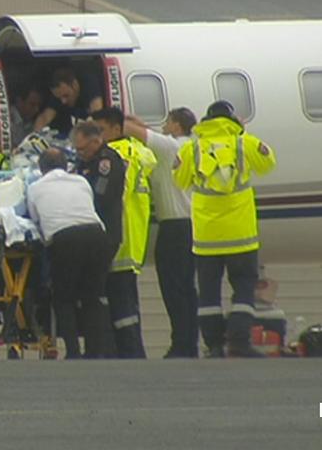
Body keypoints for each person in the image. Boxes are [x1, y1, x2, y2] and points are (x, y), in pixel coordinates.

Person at [173, 100, 276, 358]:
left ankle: (214, 345)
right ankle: (239, 342)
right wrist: (243, 133)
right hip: (241, 235)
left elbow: (180, 179)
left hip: (207, 236)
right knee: (243, 286)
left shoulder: (192, 148)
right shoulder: (244, 143)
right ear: (232, 121)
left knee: (208, 291)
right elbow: (268, 164)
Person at [124, 108, 199, 358]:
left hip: (174, 227)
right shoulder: (192, 147)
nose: (165, 126)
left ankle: (181, 344)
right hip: (193, 226)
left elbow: (140, 134)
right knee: (187, 288)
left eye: (168, 122)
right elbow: (152, 135)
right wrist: (138, 121)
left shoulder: (170, 148)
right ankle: (189, 343)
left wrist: (114, 121)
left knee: (173, 288)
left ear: (177, 126)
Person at [27, 147, 111, 359]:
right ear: (66, 166)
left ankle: (73, 351)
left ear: (41, 168)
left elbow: (35, 218)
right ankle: (95, 351)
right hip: (96, 235)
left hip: (65, 239)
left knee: (64, 298)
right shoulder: (81, 182)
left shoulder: (35, 188)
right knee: (93, 297)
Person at [91, 107, 157, 358]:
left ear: (117, 130)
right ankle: (130, 351)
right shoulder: (140, 152)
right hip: (134, 238)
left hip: (118, 236)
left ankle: (128, 353)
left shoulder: (114, 157)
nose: (97, 137)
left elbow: (108, 194)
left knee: (119, 303)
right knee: (128, 301)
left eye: (101, 131)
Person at [73, 120, 126, 357]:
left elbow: (100, 196)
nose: (79, 153)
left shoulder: (107, 161)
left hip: (105, 234)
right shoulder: (85, 161)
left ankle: (101, 347)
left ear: (96, 141)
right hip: (90, 235)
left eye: (83, 149)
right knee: (90, 290)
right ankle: (97, 345)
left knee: (94, 291)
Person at [34, 66, 103, 136]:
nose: (63, 101)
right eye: (59, 98)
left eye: (66, 96)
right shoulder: (60, 93)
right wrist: (35, 135)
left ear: (75, 85)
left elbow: (97, 115)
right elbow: (45, 117)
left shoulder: (89, 85)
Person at [10, 82, 43, 148]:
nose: (36, 109)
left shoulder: (30, 120)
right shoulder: (7, 119)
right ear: (19, 101)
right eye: (32, 104)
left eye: (38, 105)